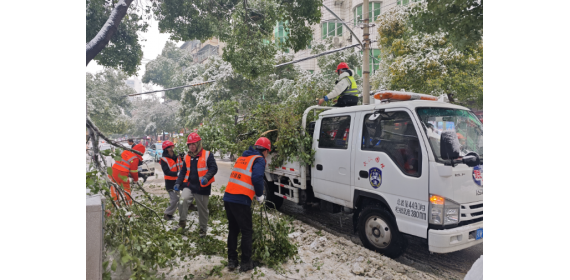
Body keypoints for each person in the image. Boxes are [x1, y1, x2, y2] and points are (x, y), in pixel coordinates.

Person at [223, 137, 270, 272]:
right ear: (265, 151)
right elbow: (256, 177)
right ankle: (246, 263)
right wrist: (260, 195)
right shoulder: (259, 159)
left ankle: (232, 260)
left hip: (228, 197)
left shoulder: (242, 157)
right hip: (241, 200)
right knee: (246, 231)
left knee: (233, 229)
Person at [173, 133, 218, 236]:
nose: (191, 147)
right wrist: (178, 183)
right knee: (182, 200)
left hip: (202, 187)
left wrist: (207, 177)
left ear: (198, 144)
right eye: (189, 145)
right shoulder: (187, 157)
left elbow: (213, 168)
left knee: (202, 209)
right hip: (189, 185)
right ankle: (182, 223)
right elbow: (183, 172)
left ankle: (203, 229)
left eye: (193, 144)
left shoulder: (207, 154)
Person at [160, 140, 184, 220]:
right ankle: (167, 214)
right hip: (170, 183)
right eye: (170, 147)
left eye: (172, 147)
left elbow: (182, 166)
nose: (172, 148)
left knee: (179, 198)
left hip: (178, 181)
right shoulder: (164, 160)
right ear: (167, 149)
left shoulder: (177, 157)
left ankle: (170, 214)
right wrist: (177, 174)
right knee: (175, 199)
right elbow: (166, 171)